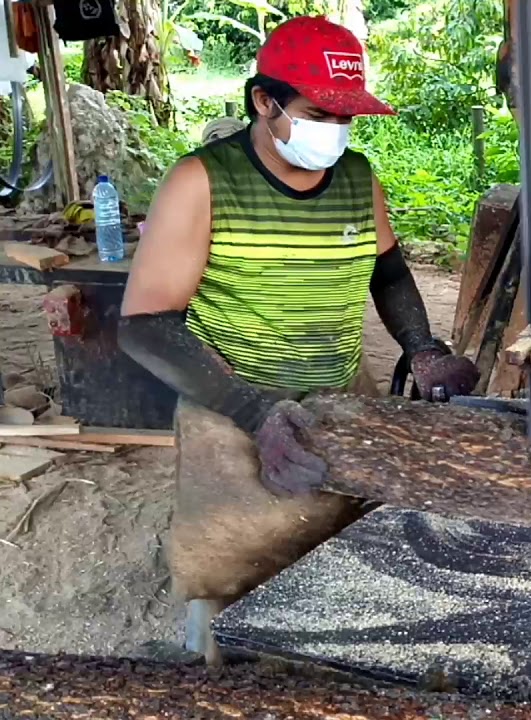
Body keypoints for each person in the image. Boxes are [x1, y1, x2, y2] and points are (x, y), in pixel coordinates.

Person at [118, 16, 480, 661]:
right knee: (232, 569)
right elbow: (144, 327)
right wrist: (255, 413)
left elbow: (389, 272)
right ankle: (213, 673)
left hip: (341, 399)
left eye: (348, 119)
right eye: (320, 114)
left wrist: (422, 348)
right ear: (266, 100)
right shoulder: (201, 183)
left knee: (337, 550)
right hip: (231, 411)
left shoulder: (358, 179)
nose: (335, 133)